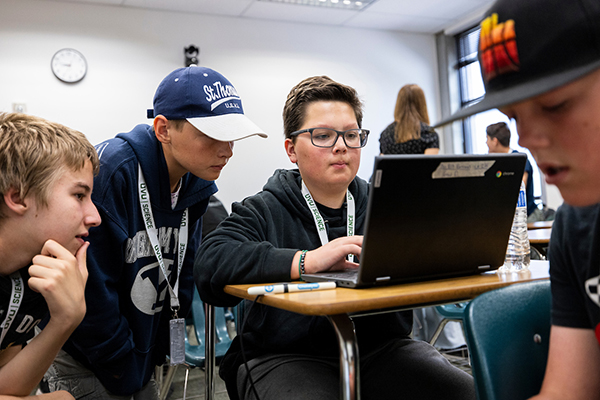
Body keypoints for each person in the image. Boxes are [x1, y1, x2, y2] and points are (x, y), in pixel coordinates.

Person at [195, 75, 475, 400]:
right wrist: (306, 261)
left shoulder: (385, 204)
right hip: (285, 355)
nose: (341, 146)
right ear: (291, 150)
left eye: (351, 135)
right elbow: (209, 263)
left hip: (381, 349)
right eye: (323, 136)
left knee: (466, 392)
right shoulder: (264, 208)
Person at [43, 66, 267, 398]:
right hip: (86, 355)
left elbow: (184, 269)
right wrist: (123, 363)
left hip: (139, 352)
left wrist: (158, 347)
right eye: (212, 136)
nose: (227, 150)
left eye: (231, 136)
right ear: (163, 129)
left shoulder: (198, 180)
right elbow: (90, 286)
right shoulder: (111, 173)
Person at [436, 0, 600, 398]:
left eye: (554, 105)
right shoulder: (575, 229)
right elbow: (566, 391)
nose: (526, 138)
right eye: (513, 116)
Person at [0, 112, 101, 399]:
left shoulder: (28, 275)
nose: (95, 217)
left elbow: (6, 387)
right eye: (79, 195)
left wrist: (65, 319)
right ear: (18, 197)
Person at [485, 122, 543, 222]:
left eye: (487, 139)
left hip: (528, 216)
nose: (486, 143)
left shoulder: (519, 160)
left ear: (494, 141)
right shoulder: (497, 163)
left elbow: (518, 190)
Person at [379, 83, 440, 155]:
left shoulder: (386, 134)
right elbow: (430, 164)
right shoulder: (429, 134)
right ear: (422, 104)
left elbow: (382, 164)